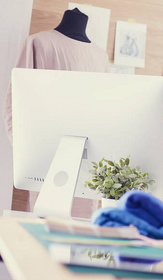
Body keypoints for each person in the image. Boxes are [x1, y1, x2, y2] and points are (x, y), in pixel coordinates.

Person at [2, 8, 108, 217]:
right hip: (47, 162)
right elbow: (14, 105)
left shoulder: (101, 57)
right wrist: (30, 156)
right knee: (43, 230)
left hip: (87, 167)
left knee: (80, 236)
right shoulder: (38, 43)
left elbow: (104, 112)